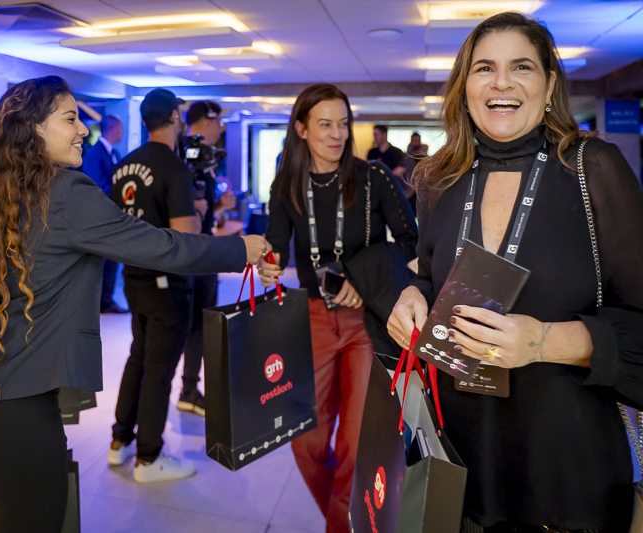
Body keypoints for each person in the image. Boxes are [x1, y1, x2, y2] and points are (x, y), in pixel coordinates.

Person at [0, 76, 270, 532]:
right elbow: (164, 246)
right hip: (15, 417)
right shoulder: (65, 192)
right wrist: (239, 249)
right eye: (70, 118)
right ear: (34, 128)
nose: (81, 130)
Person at [387, 12, 643, 532]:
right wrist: (413, 295)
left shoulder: (594, 168)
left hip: (565, 470)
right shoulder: (438, 179)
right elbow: (432, 277)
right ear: (465, 88)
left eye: (520, 67)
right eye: (485, 68)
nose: (501, 82)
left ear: (548, 83)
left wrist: (546, 342)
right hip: (458, 461)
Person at [259, 83, 418, 533]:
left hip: (366, 322)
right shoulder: (287, 184)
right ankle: (347, 514)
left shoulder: (373, 178)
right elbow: (275, 245)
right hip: (311, 318)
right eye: (325, 124)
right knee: (305, 441)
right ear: (301, 129)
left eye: (343, 124)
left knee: (355, 443)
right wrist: (266, 263)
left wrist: (362, 278)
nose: (337, 134)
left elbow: (411, 243)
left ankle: (340, 525)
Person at [107, 88, 209, 481]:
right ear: (174, 117)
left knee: (139, 357)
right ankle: (149, 457)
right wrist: (197, 212)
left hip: (133, 278)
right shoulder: (173, 167)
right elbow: (185, 234)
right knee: (160, 368)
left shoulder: (123, 166)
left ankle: (120, 440)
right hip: (167, 285)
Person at [176, 100, 237, 416]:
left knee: (201, 323)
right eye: (218, 122)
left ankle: (190, 387)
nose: (221, 129)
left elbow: (200, 211)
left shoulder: (205, 159)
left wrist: (219, 207)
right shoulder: (180, 157)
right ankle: (187, 389)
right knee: (190, 325)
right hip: (188, 255)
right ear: (208, 121)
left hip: (203, 250)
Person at [81, 113, 127, 313]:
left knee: (112, 260)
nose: (122, 132)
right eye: (121, 128)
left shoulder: (113, 152)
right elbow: (95, 187)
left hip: (113, 217)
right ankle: (98, 303)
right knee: (101, 262)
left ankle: (106, 301)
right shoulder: (94, 154)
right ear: (114, 129)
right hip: (100, 217)